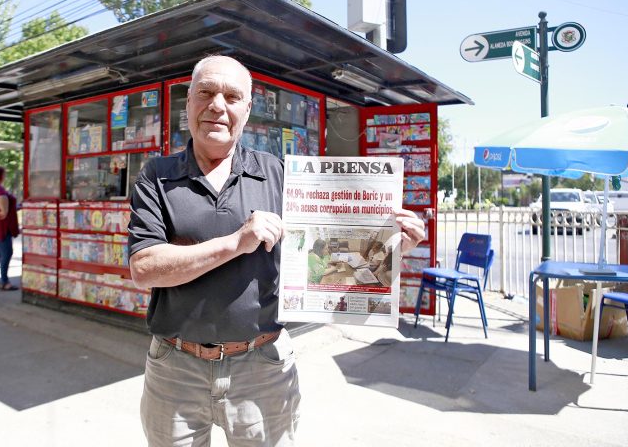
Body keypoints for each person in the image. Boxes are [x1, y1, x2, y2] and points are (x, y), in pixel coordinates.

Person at [127, 55, 425, 446]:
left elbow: (328, 263)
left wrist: (388, 250)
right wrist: (236, 242)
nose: (218, 105)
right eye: (207, 93)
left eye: (232, 96)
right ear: (189, 102)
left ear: (247, 110)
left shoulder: (283, 176)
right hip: (175, 366)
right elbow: (144, 268)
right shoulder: (156, 175)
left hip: (263, 368)